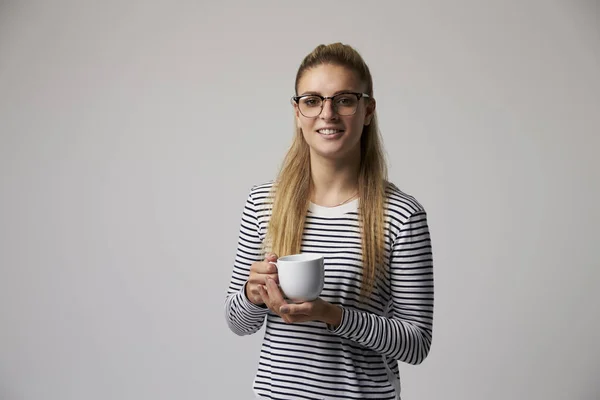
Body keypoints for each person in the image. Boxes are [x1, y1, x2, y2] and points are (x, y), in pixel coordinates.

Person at [224, 42, 434, 400]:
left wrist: (333, 315)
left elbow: (416, 344)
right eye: (312, 100)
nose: (328, 113)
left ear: (368, 110)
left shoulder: (401, 214)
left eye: (344, 100)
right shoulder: (263, 203)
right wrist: (251, 294)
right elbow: (237, 322)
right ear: (297, 111)